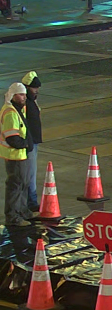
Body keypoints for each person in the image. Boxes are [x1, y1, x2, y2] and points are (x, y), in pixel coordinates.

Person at [1, 83, 37, 226]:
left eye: (24, 94)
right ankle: (13, 217)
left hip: (21, 155)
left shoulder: (17, 109)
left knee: (23, 184)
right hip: (14, 156)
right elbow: (12, 137)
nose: (23, 97)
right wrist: (25, 144)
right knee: (15, 186)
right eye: (20, 95)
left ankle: (23, 212)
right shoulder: (10, 112)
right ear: (13, 96)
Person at [21, 71, 42, 212]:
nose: (37, 91)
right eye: (34, 88)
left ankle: (31, 200)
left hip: (33, 141)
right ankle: (31, 201)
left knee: (31, 173)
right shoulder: (25, 103)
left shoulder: (31, 100)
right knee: (30, 173)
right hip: (29, 143)